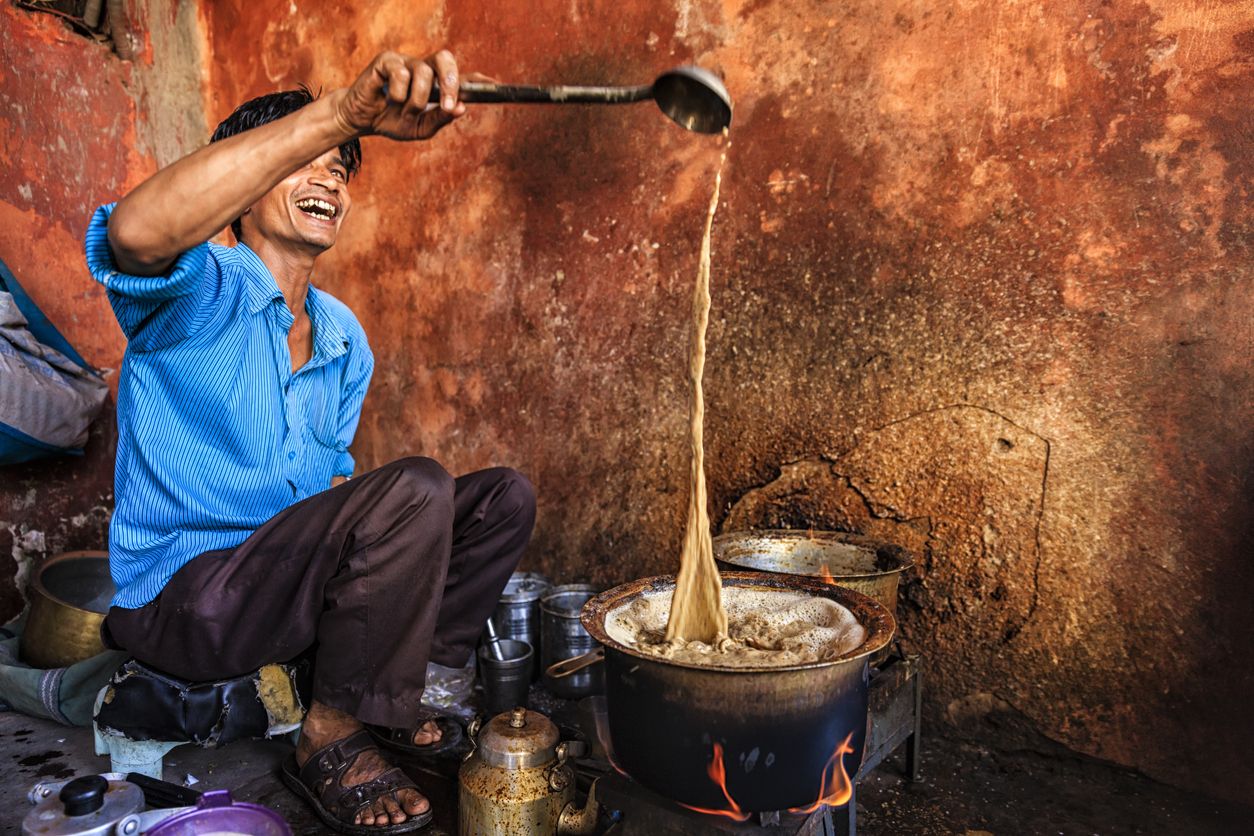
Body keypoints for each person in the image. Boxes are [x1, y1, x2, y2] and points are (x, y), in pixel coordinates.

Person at [85, 50, 533, 832]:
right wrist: (338, 113)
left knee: (499, 499)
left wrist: (384, 529)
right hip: (187, 601)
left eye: (341, 168)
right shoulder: (201, 288)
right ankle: (328, 735)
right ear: (245, 184)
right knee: (416, 486)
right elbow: (135, 228)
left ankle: (394, 695)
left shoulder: (341, 336)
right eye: (304, 163)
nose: (329, 179)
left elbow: (328, 488)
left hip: (281, 585)